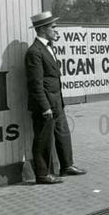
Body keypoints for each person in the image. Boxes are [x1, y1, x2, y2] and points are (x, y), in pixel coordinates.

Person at [25, 12, 87, 184]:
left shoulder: (47, 47)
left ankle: (67, 165)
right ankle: (42, 175)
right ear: (43, 29)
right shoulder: (34, 52)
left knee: (63, 133)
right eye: (53, 27)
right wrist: (45, 107)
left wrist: (57, 102)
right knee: (43, 139)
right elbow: (35, 84)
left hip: (56, 102)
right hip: (45, 104)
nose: (55, 30)